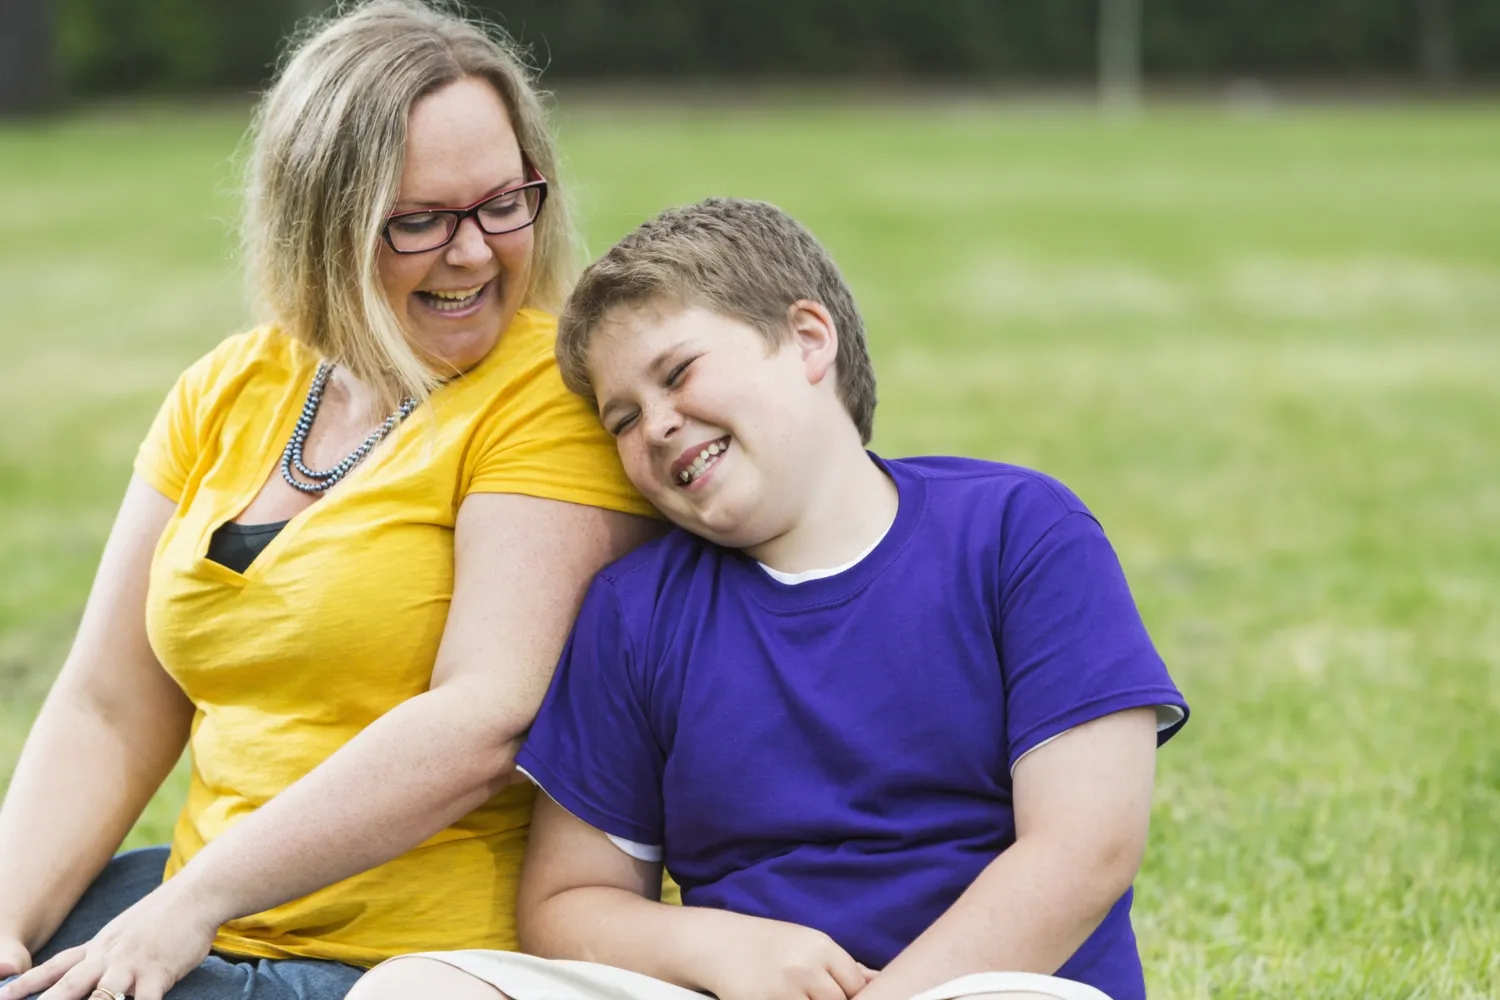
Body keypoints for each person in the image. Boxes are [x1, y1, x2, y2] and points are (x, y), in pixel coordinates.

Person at [346, 198, 1191, 1000]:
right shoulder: (637, 611)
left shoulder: (1016, 531)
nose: (658, 427)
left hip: (985, 984)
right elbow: (569, 900)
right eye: (623, 421)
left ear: (808, 339)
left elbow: (1086, 848)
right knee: (411, 989)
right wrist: (724, 946)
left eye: (678, 374)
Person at [0, 3, 662, 999]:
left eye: (503, 203)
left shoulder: (550, 392)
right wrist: (8, 919)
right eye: (419, 221)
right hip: (204, 915)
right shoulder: (233, 386)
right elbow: (108, 703)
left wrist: (190, 908)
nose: (475, 254)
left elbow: (486, 718)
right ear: (321, 219)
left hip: (400, 960)